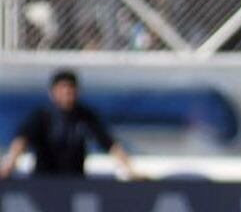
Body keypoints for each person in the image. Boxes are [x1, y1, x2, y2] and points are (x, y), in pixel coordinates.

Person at [0, 70, 139, 180]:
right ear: (52, 92)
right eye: (62, 88)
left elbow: (108, 143)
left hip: (74, 181)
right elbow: (22, 140)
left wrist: (129, 168)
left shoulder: (85, 116)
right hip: (44, 182)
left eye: (71, 88)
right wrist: (10, 164)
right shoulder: (42, 116)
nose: (67, 92)